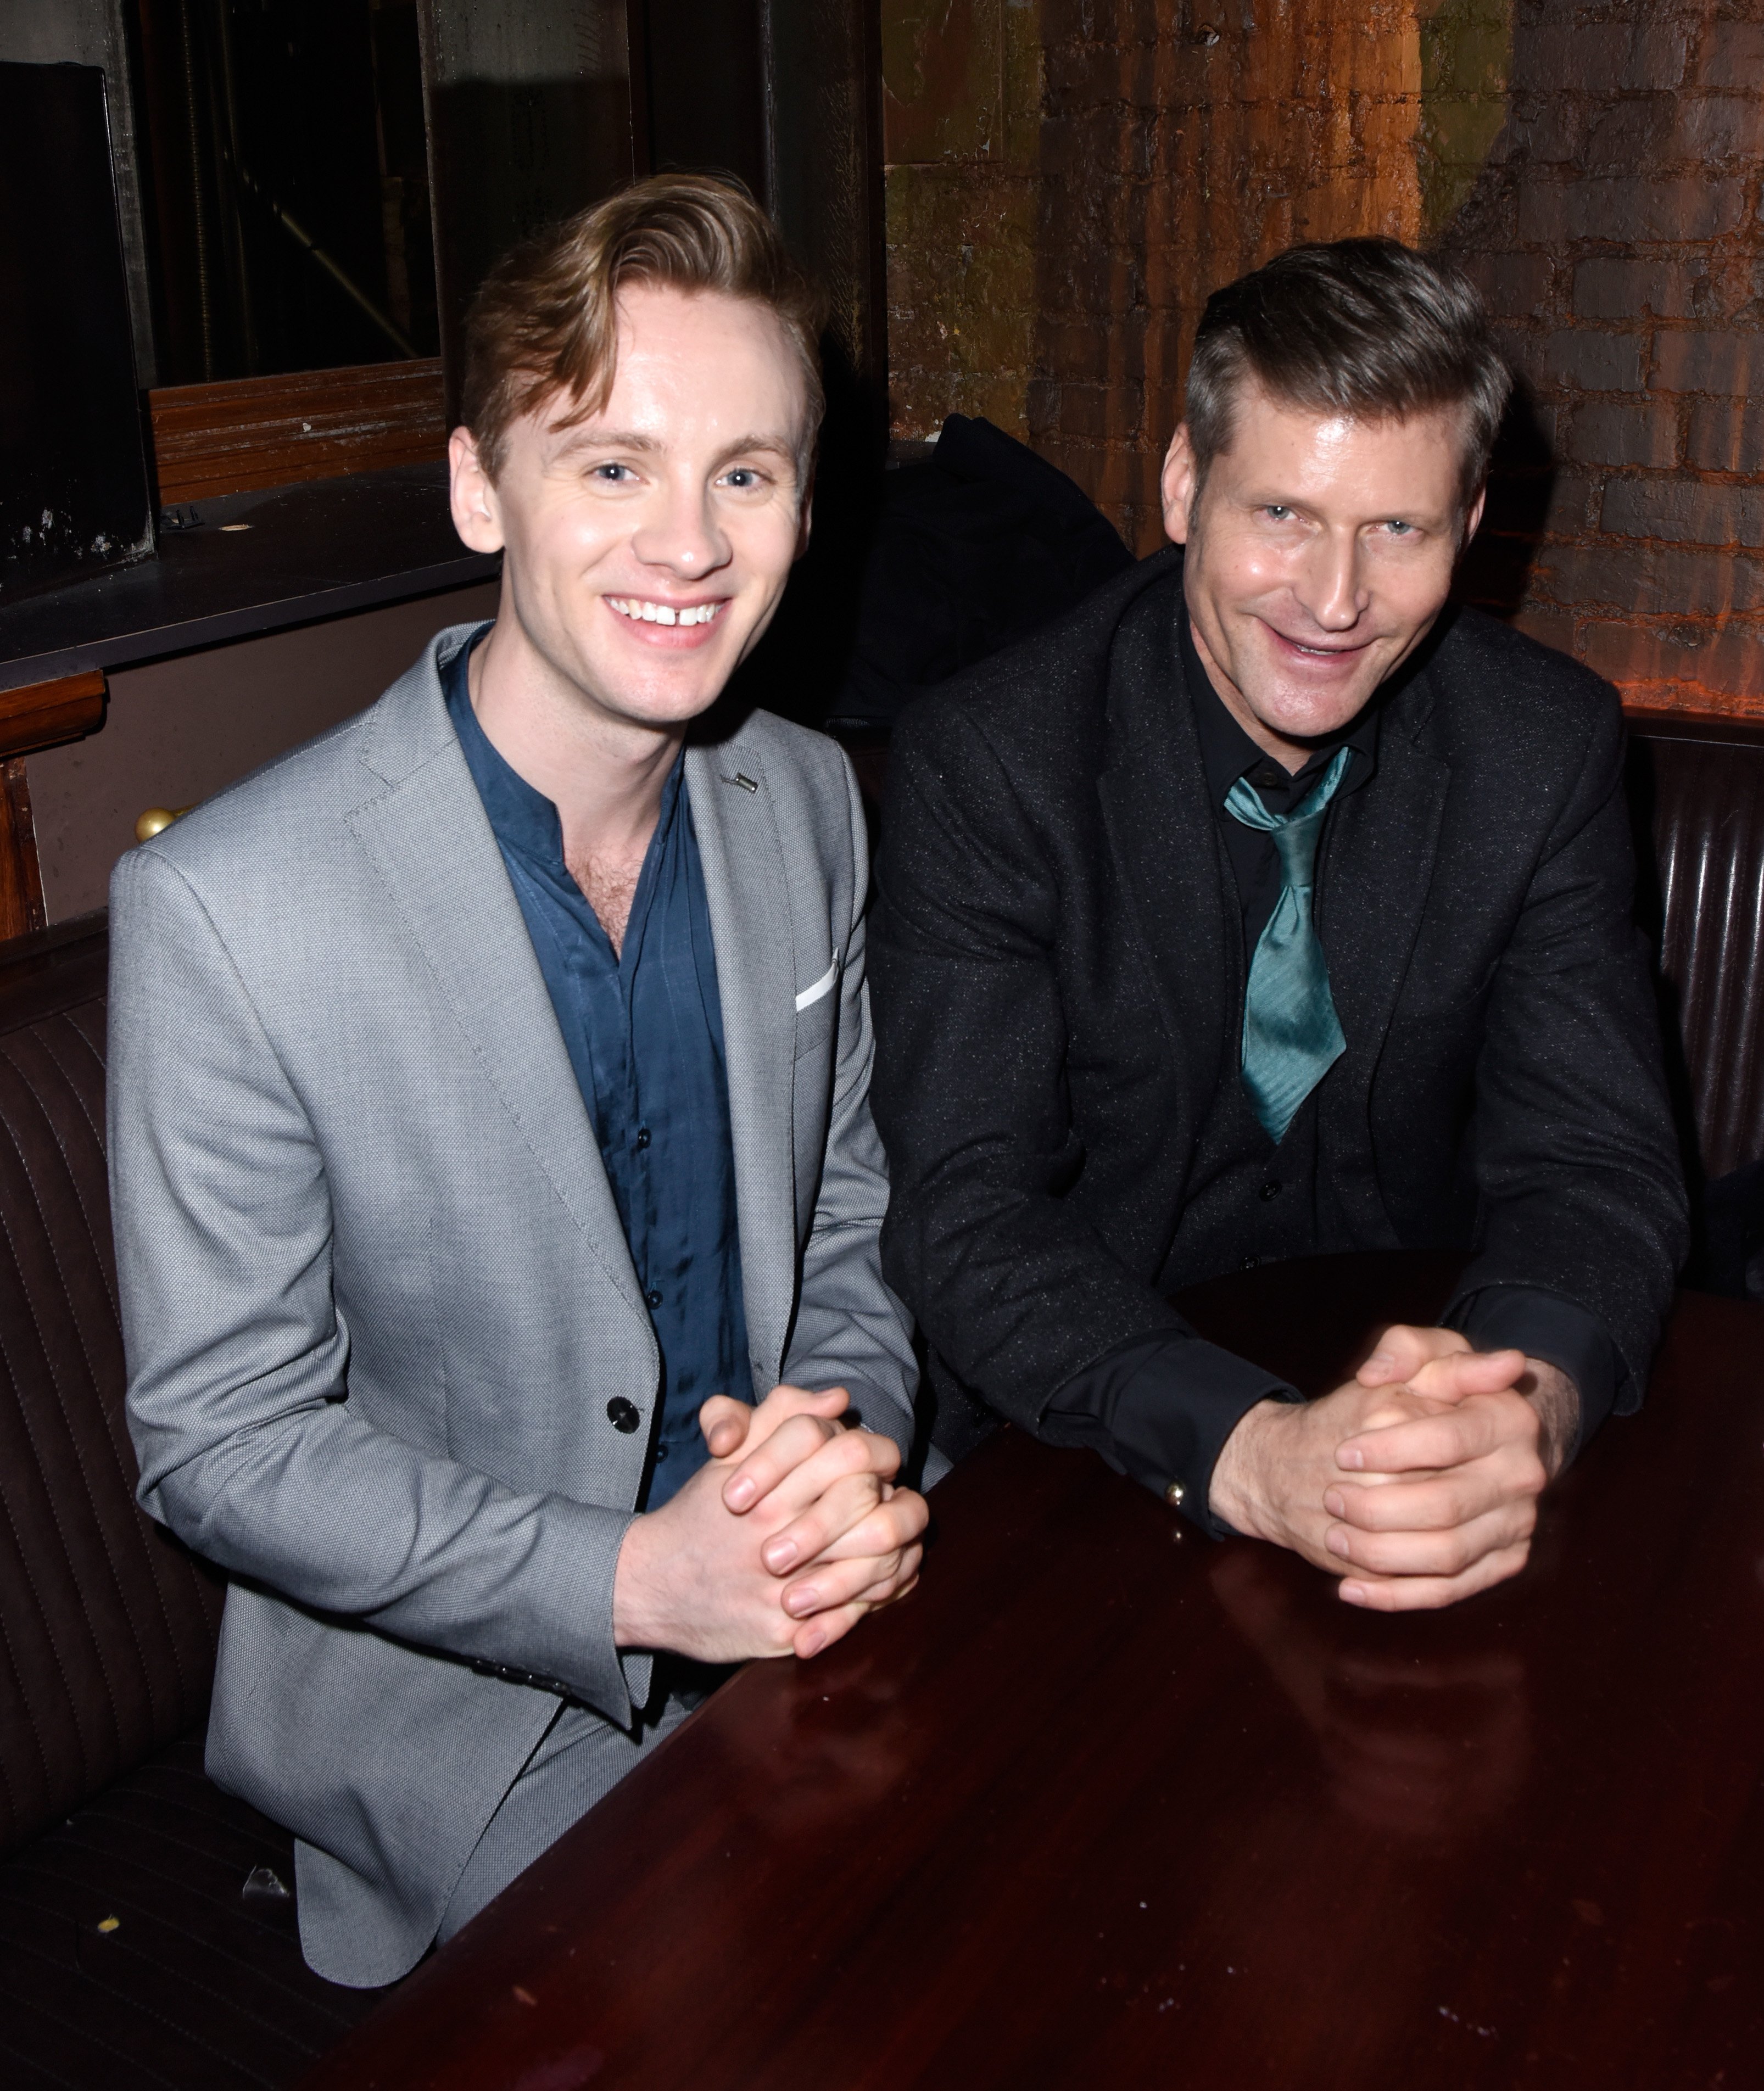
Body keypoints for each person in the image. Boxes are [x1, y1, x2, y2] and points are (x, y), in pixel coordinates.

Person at [110, 175, 926, 1988]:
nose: (692, 543)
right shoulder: (229, 909)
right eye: (615, 463)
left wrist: (826, 1447)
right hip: (480, 1737)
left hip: (812, 1615)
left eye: (748, 470)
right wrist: (640, 1582)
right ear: (483, 485)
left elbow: (848, 1216)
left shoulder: (805, 802)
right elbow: (221, 1440)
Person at [869, 238, 1687, 1613]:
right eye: (1284, 516)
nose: (1331, 599)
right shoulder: (992, 759)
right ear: (1185, 487)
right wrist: (1242, 1453)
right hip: (1082, 1443)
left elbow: (1597, 1162)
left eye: (1396, 530)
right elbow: (965, 1207)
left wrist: (1520, 1407)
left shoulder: (1542, 747)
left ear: (1471, 524)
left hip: (1423, 1390)